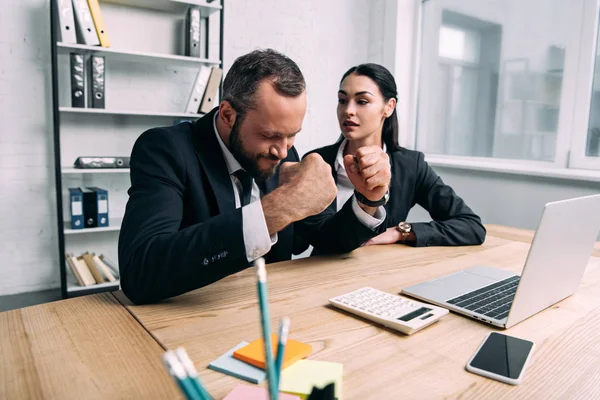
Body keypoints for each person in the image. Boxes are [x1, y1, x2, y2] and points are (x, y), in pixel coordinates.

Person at [118, 50, 392, 304]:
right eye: (270, 135)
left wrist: (367, 199)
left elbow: (325, 239)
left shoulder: (284, 152)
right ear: (227, 114)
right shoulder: (165, 149)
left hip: (266, 312)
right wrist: (278, 208)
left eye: (293, 134)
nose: (283, 150)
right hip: (190, 317)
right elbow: (140, 271)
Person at [305, 63, 486, 249]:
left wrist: (402, 232)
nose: (348, 110)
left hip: (386, 271)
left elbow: (471, 226)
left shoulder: (411, 165)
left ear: (389, 107)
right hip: (326, 274)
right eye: (342, 100)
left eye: (362, 101)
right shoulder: (317, 161)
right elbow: (319, 237)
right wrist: (366, 203)